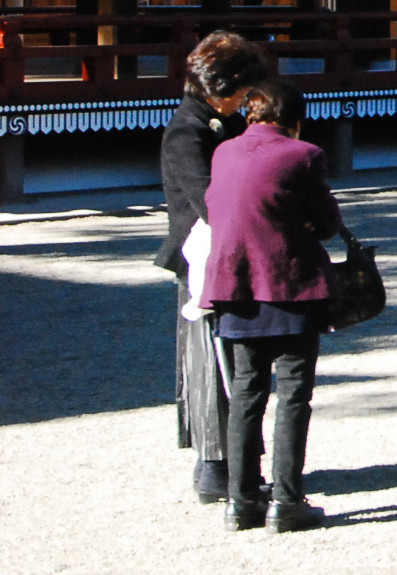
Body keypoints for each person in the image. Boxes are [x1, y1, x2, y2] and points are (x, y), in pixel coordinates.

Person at [204, 81, 342, 534]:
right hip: (289, 286)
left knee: (246, 393)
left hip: (235, 285)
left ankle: (241, 501)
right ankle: (286, 500)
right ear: (295, 120)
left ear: (251, 118)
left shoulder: (223, 153)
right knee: (293, 395)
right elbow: (326, 223)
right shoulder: (303, 155)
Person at [153, 30, 270, 504]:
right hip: (204, 257)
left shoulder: (222, 123)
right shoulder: (188, 130)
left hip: (230, 252)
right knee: (212, 365)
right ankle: (214, 466)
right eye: (242, 92)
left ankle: (236, 461)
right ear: (220, 86)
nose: (245, 101)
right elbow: (209, 200)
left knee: (237, 362)